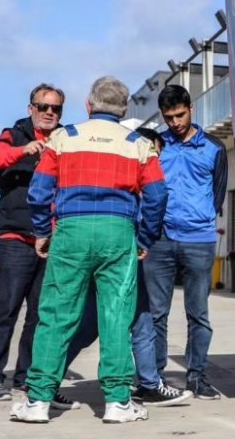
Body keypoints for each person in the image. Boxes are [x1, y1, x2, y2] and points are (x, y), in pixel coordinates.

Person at [9, 76, 167, 424]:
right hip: (118, 232)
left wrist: (41, 231)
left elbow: (39, 191)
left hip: (70, 230)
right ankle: (117, 401)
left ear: (88, 105)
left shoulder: (63, 139)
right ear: (124, 109)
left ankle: (38, 401)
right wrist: (145, 239)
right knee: (116, 316)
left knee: (55, 315)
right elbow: (157, 196)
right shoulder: (139, 144)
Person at [60, 127, 193, 407]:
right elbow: (156, 200)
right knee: (93, 324)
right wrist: (144, 240)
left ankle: (147, 383)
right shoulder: (134, 173)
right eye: (154, 150)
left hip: (109, 250)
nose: (156, 156)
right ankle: (131, 388)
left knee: (138, 318)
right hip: (119, 255)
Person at [0, 83, 79, 409]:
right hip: (17, 239)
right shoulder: (14, 134)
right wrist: (23, 150)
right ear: (31, 107)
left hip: (52, 241)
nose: (50, 113)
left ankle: (25, 378)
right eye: (43, 106)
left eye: (56, 108)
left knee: (39, 315)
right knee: (5, 311)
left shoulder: (66, 139)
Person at [144, 84, 227, 401]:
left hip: (199, 241)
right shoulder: (155, 146)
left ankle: (197, 376)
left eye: (179, 115)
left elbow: (218, 193)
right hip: (160, 240)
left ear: (191, 108)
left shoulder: (215, 148)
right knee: (155, 314)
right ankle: (155, 378)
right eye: (168, 118)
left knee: (198, 314)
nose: (175, 123)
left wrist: (202, 216)